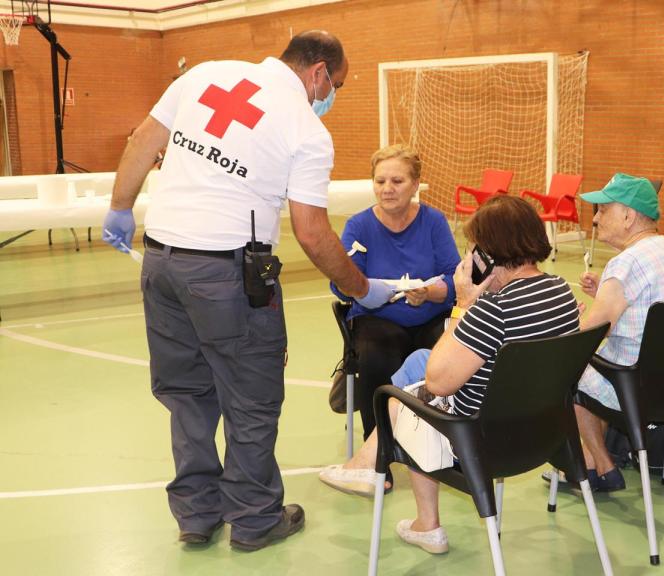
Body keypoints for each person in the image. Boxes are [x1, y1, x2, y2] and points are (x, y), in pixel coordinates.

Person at [101, 31, 394, 552]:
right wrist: (362, 287)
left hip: (162, 264)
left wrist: (120, 206)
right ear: (319, 73)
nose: (331, 97)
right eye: (337, 86)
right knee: (252, 399)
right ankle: (256, 519)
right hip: (228, 276)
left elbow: (143, 141)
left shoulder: (204, 75)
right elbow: (311, 232)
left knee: (187, 396)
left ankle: (197, 514)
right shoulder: (305, 127)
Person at [320, 195, 581, 554]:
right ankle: (378, 475)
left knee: (405, 397)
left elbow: (439, 381)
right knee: (419, 361)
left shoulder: (493, 309)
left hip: (479, 441)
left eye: (473, 248)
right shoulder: (561, 291)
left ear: (488, 254)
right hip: (542, 434)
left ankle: (386, 480)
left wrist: (463, 305)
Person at [569, 173, 664, 492]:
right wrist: (605, 293)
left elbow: (587, 336)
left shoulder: (626, 264)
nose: (596, 218)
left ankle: (600, 464)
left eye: (604, 210)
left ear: (628, 216)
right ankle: (594, 459)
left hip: (637, 387)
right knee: (598, 365)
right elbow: (655, 312)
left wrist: (567, 322)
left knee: (568, 372)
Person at [328, 144, 460, 440]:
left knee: (455, 355)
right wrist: (362, 288)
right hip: (376, 319)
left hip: (430, 318)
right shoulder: (358, 226)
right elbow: (340, 285)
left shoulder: (434, 222)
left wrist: (430, 292)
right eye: (380, 181)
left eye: (397, 181)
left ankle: (444, 442)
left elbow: (456, 278)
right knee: (376, 356)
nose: (387, 189)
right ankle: (379, 445)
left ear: (415, 185)